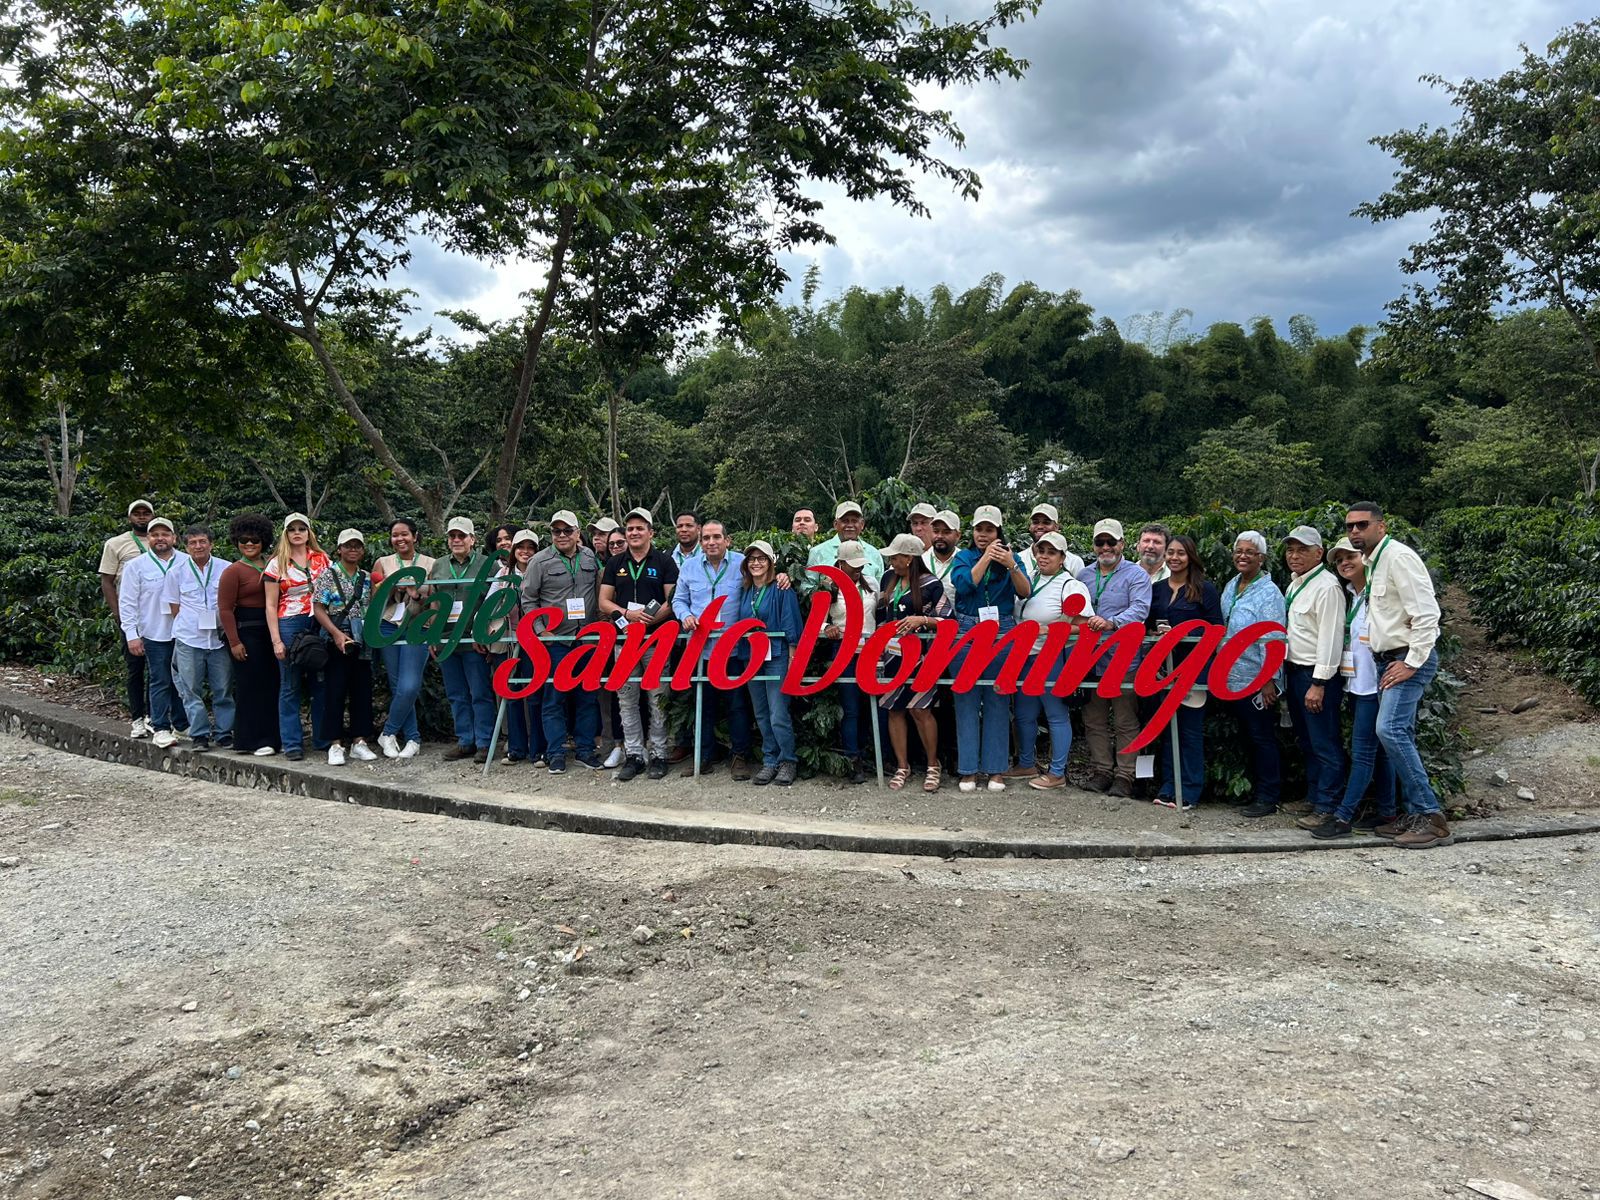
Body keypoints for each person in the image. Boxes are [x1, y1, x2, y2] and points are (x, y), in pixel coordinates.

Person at [1344, 501, 1452, 849]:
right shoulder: (1375, 562)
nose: (1355, 531)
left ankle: (1430, 816)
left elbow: (1426, 613)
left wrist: (1412, 662)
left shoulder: (1399, 558)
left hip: (1404, 659)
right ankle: (1413, 812)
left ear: (1381, 526)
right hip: (1387, 659)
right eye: (1350, 527)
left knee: (1388, 730)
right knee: (1395, 735)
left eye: (1362, 525)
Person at [1308, 537, 1398, 839]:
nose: (1345, 563)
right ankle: (1388, 812)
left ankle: (1343, 817)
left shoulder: (1379, 594)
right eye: (1339, 559)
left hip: (1378, 685)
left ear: (1366, 558)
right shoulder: (1350, 593)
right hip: (1358, 685)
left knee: (1363, 753)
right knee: (1381, 754)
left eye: (1351, 556)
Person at [952, 505, 1030, 792]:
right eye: (979, 529)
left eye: (989, 529)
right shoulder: (964, 556)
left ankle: (996, 769)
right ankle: (969, 770)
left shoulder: (1013, 557)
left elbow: (1025, 591)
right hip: (966, 629)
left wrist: (1010, 564)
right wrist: (985, 556)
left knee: (999, 696)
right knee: (966, 698)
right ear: (972, 531)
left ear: (999, 531)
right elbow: (964, 585)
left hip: (1002, 629)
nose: (983, 534)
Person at [520, 510, 603, 774]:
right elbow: (528, 599)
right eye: (557, 531)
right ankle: (555, 753)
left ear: (579, 533)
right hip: (557, 642)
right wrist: (541, 631)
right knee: (553, 699)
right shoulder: (539, 561)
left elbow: (600, 591)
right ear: (551, 534)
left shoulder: (590, 557)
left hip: (587, 640)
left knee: (587, 697)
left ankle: (585, 750)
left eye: (568, 530)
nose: (563, 535)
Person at [599, 508, 679, 781]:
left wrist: (649, 619)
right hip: (624, 642)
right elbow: (604, 601)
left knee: (658, 698)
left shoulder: (665, 561)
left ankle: (659, 753)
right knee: (626, 699)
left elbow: (672, 601)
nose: (634, 533)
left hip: (656, 640)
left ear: (651, 532)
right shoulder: (615, 563)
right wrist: (627, 615)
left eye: (640, 528)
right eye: (630, 528)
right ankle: (634, 755)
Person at [1008, 533, 1092, 790]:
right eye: (1040, 550)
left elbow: (1086, 626)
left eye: (1051, 552)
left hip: (1052, 656)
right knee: (1023, 714)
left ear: (1063, 558)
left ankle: (1057, 772)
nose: (1044, 555)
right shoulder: (1028, 578)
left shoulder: (1070, 586)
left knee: (1055, 714)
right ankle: (1026, 763)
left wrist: (1054, 630)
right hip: (1024, 656)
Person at [669, 520, 752, 778]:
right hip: (700, 649)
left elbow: (765, 578)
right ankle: (705, 754)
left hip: (733, 648)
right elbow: (679, 600)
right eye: (706, 538)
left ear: (727, 540)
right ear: (701, 542)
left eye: (717, 537)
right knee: (703, 704)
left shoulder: (742, 563)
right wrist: (685, 616)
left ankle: (740, 756)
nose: (711, 542)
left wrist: (782, 576)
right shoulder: (690, 567)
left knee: (737, 705)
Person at [1076, 518, 1152, 796]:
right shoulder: (1083, 575)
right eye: (1100, 542)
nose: (1106, 547)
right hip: (1089, 659)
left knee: (1124, 720)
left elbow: (1140, 610)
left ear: (1122, 543)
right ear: (1094, 545)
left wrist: (1112, 622)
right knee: (1093, 718)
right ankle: (1101, 770)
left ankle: (1125, 775)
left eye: (1111, 541)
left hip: (1124, 658)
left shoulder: (1136, 575)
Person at [1280, 525, 1349, 827]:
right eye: (1291, 550)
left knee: (1324, 742)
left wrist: (1319, 683)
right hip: (1295, 671)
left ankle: (1328, 806)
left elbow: (1330, 639)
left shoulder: (1327, 587)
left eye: (1302, 550)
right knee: (1307, 740)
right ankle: (1314, 797)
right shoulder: (1295, 584)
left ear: (1319, 553)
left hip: (1315, 676)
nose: (1294, 556)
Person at [1147, 534, 1222, 808]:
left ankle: (1189, 791)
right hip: (1164, 670)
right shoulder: (1157, 589)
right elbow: (1146, 628)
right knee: (1168, 729)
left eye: (1180, 553)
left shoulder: (1205, 590)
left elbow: (1217, 630)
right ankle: (1169, 786)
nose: (1174, 558)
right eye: (1171, 552)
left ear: (1191, 556)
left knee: (1189, 731)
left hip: (1194, 670)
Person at [875, 533, 952, 792]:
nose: (892, 561)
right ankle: (902, 765)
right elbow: (879, 615)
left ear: (909, 558)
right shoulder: (888, 579)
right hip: (891, 656)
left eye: (896, 557)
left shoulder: (931, 584)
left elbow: (950, 621)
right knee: (894, 709)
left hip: (921, 657)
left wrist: (923, 620)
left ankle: (933, 764)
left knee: (920, 710)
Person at [1219, 531, 1288, 817]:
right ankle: (1251, 791)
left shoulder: (1269, 594)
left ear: (1261, 558)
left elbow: (1273, 639)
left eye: (1250, 552)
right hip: (1231, 676)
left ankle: (1268, 796)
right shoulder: (1231, 585)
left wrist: (1269, 680)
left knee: (1262, 737)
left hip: (1256, 679)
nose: (1243, 556)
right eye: (1239, 551)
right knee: (1246, 737)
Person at [425, 517, 496, 764]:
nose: (456, 540)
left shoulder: (488, 565)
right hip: (446, 639)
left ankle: (485, 742)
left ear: (472, 539)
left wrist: (485, 633)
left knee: (480, 692)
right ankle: (466, 741)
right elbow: (434, 601)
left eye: (462, 536)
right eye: (452, 536)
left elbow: (494, 602)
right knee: (456, 693)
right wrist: (432, 634)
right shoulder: (439, 565)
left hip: (473, 639)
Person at [264, 513, 330, 762]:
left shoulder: (321, 558)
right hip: (290, 622)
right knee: (290, 683)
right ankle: (292, 743)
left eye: (302, 528)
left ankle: (323, 738)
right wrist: (276, 641)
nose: (297, 533)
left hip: (320, 618)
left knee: (320, 681)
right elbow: (270, 605)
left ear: (309, 532)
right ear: (285, 533)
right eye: (292, 529)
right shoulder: (276, 563)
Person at [737, 540, 803, 786]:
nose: (756, 563)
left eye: (761, 558)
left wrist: (792, 656)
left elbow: (790, 623)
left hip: (776, 657)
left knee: (778, 712)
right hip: (752, 658)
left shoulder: (781, 588)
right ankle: (770, 760)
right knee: (761, 713)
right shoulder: (745, 590)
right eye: (752, 559)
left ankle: (788, 760)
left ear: (770, 562)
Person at [816, 540, 882, 784]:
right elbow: (817, 622)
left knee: (871, 705)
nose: (857, 570)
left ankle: (873, 756)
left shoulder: (872, 584)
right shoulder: (828, 588)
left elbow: (879, 614)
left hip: (871, 650)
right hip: (844, 651)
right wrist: (827, 628)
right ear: (840, 564)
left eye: (860, 565)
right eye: (853, 566)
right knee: (851, 708)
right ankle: (853, 759)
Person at [165, 525, 234, 752]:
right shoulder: (176, 572)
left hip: (218, 639)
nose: (198, 546)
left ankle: (224, 733)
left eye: (202, 541)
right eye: (193, 542)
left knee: (222, 689)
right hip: (189, 639)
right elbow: (174, 606)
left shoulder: (226, 569)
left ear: (211, 544)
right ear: (186, 546)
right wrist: (189, 625)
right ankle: (200, 735)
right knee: (191, 690)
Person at [312, 529, 377, 765]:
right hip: (336, 638)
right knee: (335, 691)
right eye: (348, 545)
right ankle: (335, 743)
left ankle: (360, 741)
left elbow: (372, 605)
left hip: (362, 639)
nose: (353, 549)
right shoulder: (328, 575)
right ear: (339, 549)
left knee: (362, 690)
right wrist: (336, 634)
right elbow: (319, 607)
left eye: (357, 546)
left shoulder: (367, 577)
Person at [118, 517, 184, 748]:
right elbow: (127, 602)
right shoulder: (135, 566)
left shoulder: (186, 562)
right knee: (160, 679)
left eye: (165, 534)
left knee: (182, 680)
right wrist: (131, 634)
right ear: (148, 539)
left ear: (174, 538)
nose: (160, 538)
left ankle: (181, 724)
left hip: (183, 633)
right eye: (154, 535)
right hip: (153, 632)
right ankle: (160, 727)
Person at [217, 513, 280, 757]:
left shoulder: (273, 565)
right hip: (247, 632)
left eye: (255, 540)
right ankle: (249, 739)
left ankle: (273, 737)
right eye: (244, 540)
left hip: (271, 631)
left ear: (263, 540)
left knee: (272, 685)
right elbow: (224, 608)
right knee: (249, 687)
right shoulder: (234, 571)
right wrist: (234, 641)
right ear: (237, 542)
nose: (250, 544)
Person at [370, 518, 434, 759]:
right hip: (389, 625)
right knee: (398, 686)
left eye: (405, 534)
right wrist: (391, 587)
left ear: (415, 536)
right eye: (395, 535)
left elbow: (434, 602)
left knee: (409, 685)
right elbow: (375, 601)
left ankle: (388, 732)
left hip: (419, 626)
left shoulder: (430, 563)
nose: (400, 539)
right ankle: (413, 738)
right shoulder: (382, 562)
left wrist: (415, 594)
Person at [100, 498, 158, 738]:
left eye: (146, 513)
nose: (142, 517)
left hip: (158, 616)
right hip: (131, 616)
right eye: (137, 513)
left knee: (159, 669)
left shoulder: (163, 541)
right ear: (130, 517)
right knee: (135, 669)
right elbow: (107, 581)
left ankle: (154, 717)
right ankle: (136, 717)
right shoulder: (116, 544)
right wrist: (119, 614)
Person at [491, 530, 547, 767]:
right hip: (510, 638)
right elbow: (490, 606)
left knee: (535, 694)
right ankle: (516, 748)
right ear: (513, 551)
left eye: (530, 547)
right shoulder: (503, 574)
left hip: (535, 640)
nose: (525, 551)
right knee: (511, 694)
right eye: (520, 547)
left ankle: (538, 749)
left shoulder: (543, 571)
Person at [806, 501, 885, 578]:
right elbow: (807, 587)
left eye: (854, 521)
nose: (850, 525)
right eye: (845, 521)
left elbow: (880, 588)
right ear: (836, 524)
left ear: (862, 524)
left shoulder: (874, 554)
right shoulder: (817, 552)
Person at [1017, 504, 1085, 579]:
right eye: (1035, 522)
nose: (1040, 526)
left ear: (1056, 527)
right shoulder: (1019, 559)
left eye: (1046, 522)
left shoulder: (1074, 562)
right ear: (1030, 527)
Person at [923, 511, 963, 608]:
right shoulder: (922, 560)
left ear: (958, 535)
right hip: (924, 620)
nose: (940, 536)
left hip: (956, 621)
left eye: (946, 532)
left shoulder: (964, 561)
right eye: (936, 531)